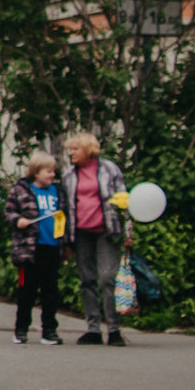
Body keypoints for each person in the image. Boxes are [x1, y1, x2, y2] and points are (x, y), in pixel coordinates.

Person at [62, 133, 129, 347]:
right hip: (80, 233)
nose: (70, 153)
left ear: (88, 149)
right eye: (70, 149)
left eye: (75, 149)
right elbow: (64, 209)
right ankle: (92, 329)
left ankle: (114, 329)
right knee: (86, 279)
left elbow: (124, 199)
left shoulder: (109, 169)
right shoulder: (69, 175)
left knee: (108, 278)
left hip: (106, 232)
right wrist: (66, 241)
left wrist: (129, 233)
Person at [6, 151, 67, 346]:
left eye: (53, 171)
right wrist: (18, 220)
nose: (52, 175)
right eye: (48, 171)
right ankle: (21, 329)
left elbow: (66, 216)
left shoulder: (58, 191)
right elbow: (8, 212)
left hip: (52, 247)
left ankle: (49, 331)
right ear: (36, 172)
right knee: (26, 290)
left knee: (51, 291)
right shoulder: (21, 189)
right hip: (29, 250)